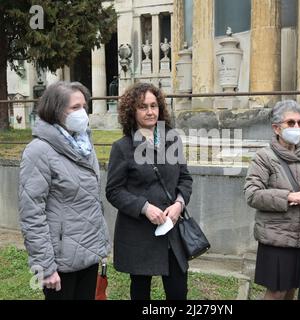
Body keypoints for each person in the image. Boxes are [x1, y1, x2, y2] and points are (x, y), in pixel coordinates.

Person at [19, 81, 111, 300]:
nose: (83, 113)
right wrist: (45, 266)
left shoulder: (83, 143)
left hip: (88, 253)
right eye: (75, 107)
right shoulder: (39, 151)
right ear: (56, 111)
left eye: (84, 106)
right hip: (59, 261)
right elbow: (32, 214)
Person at [106, 82, 193, 300]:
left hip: (171, 229)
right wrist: (144, 208)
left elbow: (185, 178)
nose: (150, 111)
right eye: (143, 107)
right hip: (139, 232)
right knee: (141, 291)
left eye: (154, 105)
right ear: (132, 112)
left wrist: (179, 204)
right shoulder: (122, 147)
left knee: (178, 291)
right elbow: (114, 191)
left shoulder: (172, 139)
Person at [244, 100, 300, 300]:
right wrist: (288, 196)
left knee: (295, 288)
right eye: (291, 123)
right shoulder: (263, 157)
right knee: (276, 293)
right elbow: (252, 194)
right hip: (277, 238)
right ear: (276, 127)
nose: (297, 128)